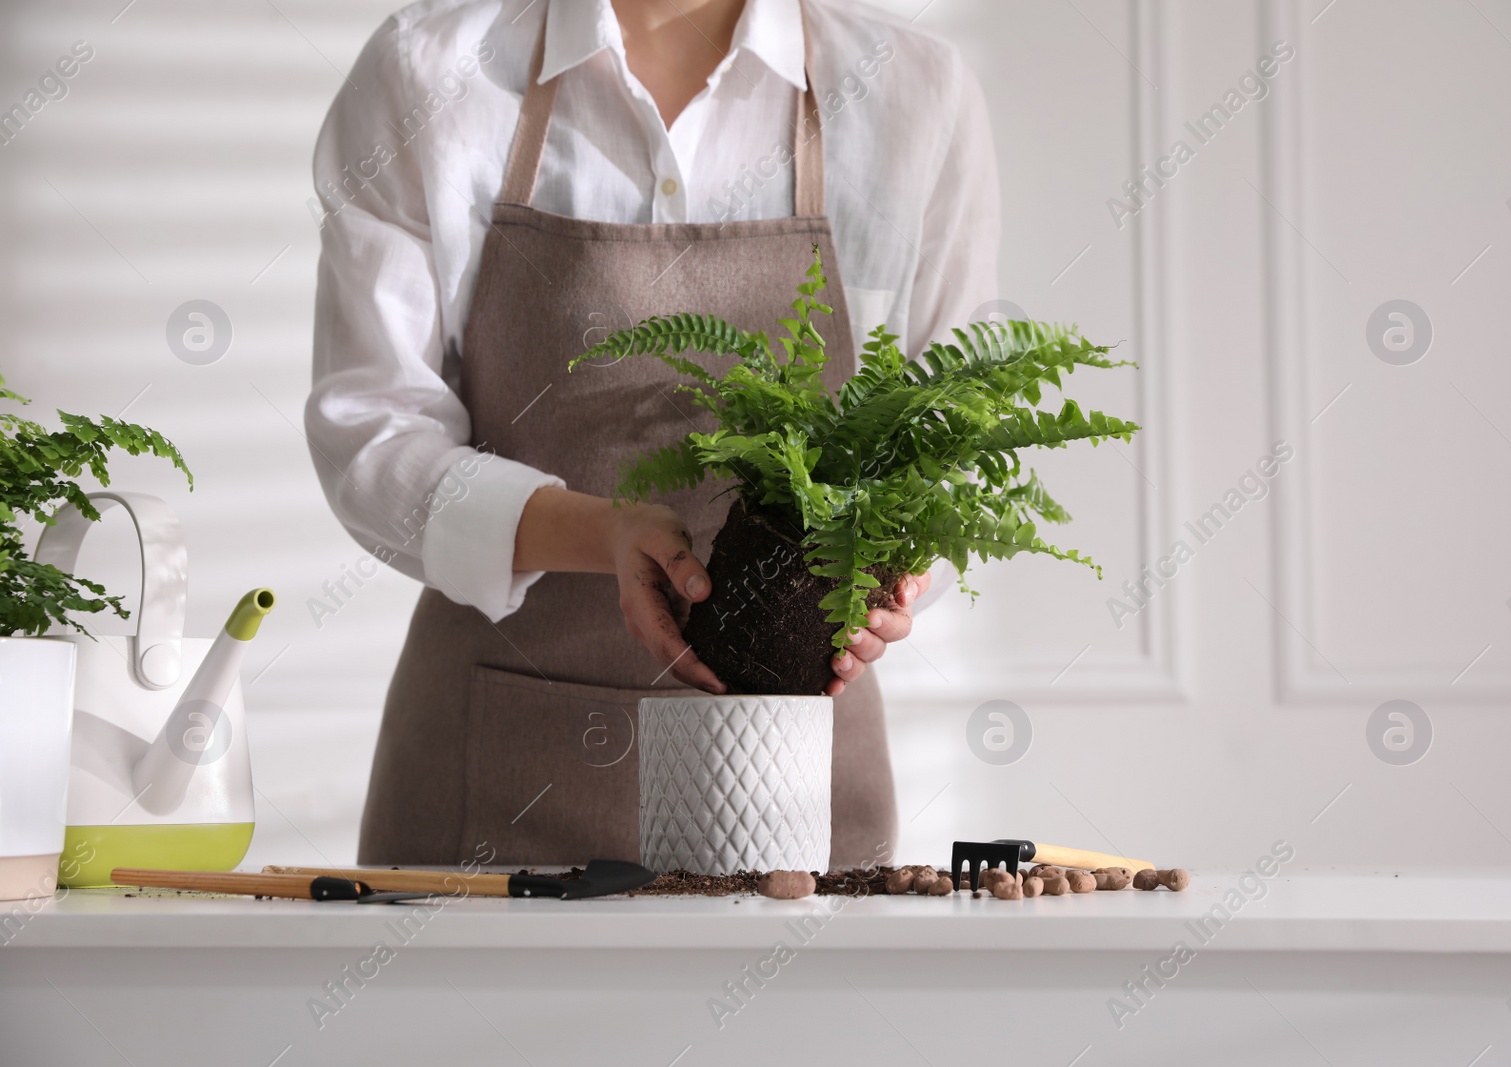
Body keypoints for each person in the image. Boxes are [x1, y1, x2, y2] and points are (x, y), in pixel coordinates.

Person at [305, 0, 999, 868]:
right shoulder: (431, 74)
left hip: (794, 785)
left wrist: (890, 577)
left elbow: (949, 437)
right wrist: (603, 532)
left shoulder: (910, 95)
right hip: (494, 786)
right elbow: (370, 430)